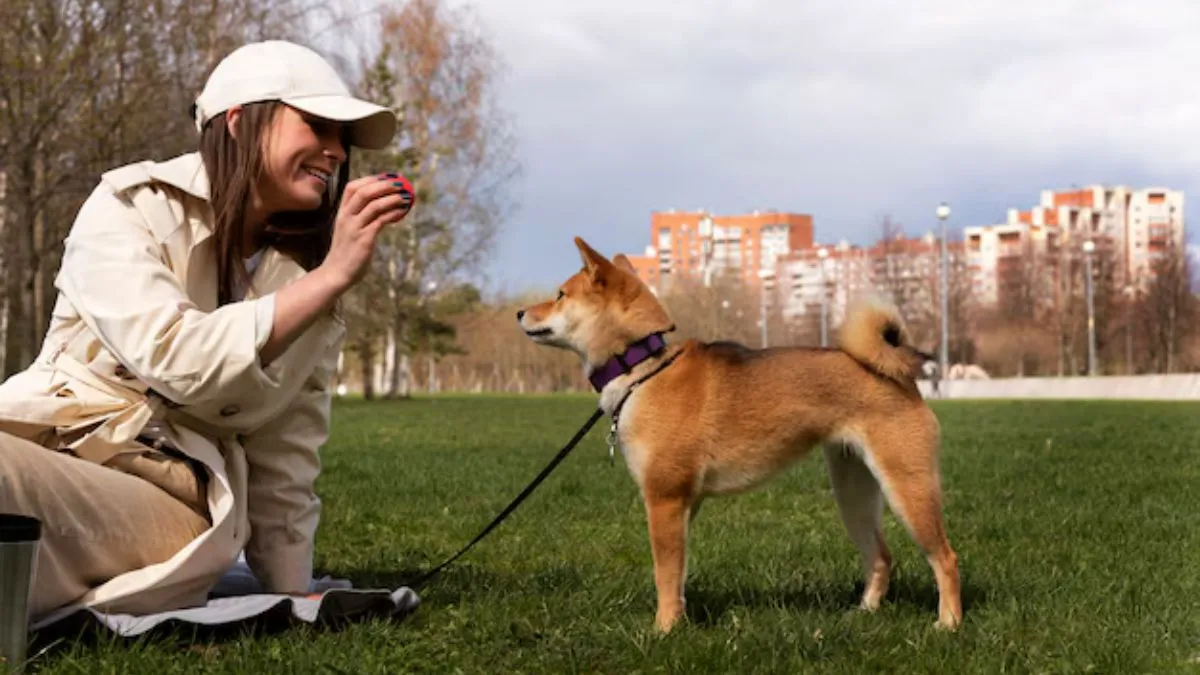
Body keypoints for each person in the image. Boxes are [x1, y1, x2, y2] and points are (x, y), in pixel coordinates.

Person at [0, 40, 412, 620]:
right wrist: (328, 279)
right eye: (318, 126)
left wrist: (291, 591)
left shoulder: (310, 284)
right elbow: (175, 352)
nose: (335, 152)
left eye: (343, 139)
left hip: (167, 497)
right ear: (240, 123)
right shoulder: (128, 207)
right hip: (40, 450)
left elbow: (285, 454)